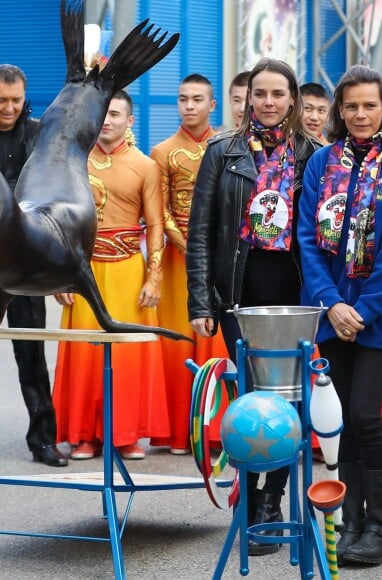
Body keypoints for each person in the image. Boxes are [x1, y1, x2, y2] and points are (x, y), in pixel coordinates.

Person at [298, 65, 382, 567]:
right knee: (341, 424)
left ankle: (380, 524)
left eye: (369, 105)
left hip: (380, 313)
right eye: (350, 105)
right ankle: (349, 521)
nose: (359, 114)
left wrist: (364, 308)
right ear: (339, 109)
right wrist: (332, 302)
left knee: (363, 412)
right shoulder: (322, 162)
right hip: (331, 311)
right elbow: (308, 241)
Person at [187, 58, 320, 556]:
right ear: (247, 98)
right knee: (249, 399)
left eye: (277, 94)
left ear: (293, 100)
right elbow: (200, 230)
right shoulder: (222, 151)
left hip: (293, 292)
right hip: (237, 293)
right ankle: (251, 492)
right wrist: (200, 299)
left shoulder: (314, 154)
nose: (268, 102)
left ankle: (271, 499)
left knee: (287, 401)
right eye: (259, 93)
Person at [53, 90, 170, 461]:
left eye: (116, 114)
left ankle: (126, 434)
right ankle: (83, 434)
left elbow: (154, 224)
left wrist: (154, 277)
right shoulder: (73, 160)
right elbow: (56, 218)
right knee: (83, 353)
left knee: (128, 354)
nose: (108, 120)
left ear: (129, 121)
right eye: (103, 113)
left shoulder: (145, 165)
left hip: (128, 269)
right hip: (81, 269)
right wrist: (60, 276)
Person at [150, 74, 228, 455]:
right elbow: (160, 212)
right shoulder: (162, 152)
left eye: (198, 99)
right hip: (181, 260)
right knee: (179, 346)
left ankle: (218, 430)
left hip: (222, 259)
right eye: (183, 99)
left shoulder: (228, 147)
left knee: (218, 342)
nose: (190, 106)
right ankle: (179, 433)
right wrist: (192, 246)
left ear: (212, 105)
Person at [0, 64, 67, 467]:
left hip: (25, 260)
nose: (8, 107)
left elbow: (56, 195)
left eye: (15, 100)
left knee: (31, 355)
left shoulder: (41, 135)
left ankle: (43, 439)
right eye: (0, 101)